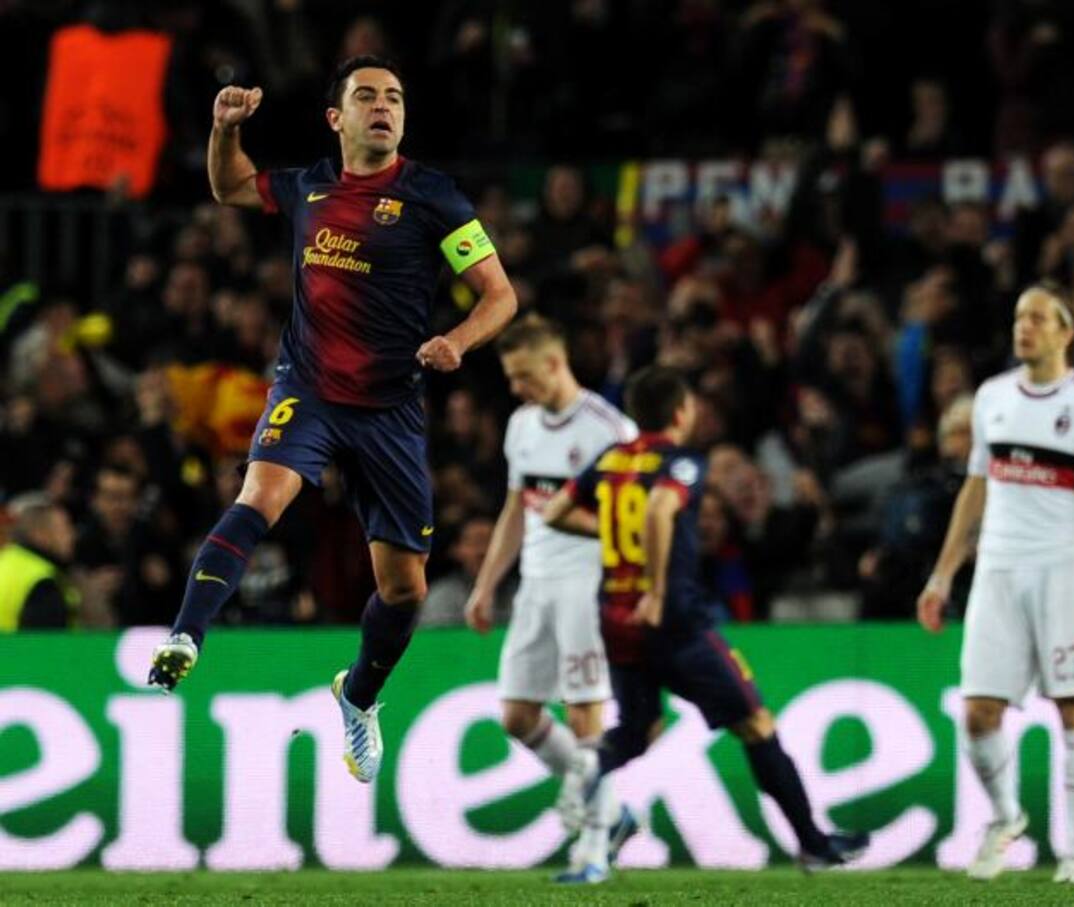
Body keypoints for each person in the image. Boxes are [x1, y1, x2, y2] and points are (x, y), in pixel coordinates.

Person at [147, 56, 518, 788]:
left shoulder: (432, 197)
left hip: (391, 408)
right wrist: (225, 129)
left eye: (396, 97)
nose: (384, 106)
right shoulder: (308, 186)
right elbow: (227, 185)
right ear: (336, 118)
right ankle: (188, 631)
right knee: (260, 496)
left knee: (405, 589)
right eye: (367, 96)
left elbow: (499, 296)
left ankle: (358, 696)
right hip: (309, 387)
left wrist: (458, 342)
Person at [542, 366, 869, 880]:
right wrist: (654, 585)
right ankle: (812, 845)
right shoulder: (682, 464)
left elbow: (556, 510)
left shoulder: (610, 460)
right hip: (673, 620)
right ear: (680, 412)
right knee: (756, 723)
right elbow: (657, 509)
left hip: (615, 614)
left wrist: (610, 539)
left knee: (637, 728)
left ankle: (590, 765)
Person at [917, 282, 1074, 885]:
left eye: (1039, 318)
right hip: (996, 569)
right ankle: (1006, 817)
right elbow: (976, 490)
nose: (1025, 327)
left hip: (1064, 570)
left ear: (1066, 332)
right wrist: (942, 576)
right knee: (978, 713)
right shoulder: (991, 399)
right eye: (1020, 317)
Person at [464, 314, 639, 882]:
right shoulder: (521, 426)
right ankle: (611, 812)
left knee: (585, 711)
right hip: (535, 584)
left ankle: (592, 847)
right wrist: (488, 583)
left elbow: (632, 521)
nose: (517, 388)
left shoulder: (609, 430)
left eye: (523, 376)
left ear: (554, 364)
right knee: (517, 716)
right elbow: (517, 509)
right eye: (511, 378)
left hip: (589, 584)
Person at [0, 493, 78, 631]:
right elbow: (44, 648)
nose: (72, 537)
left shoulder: (5, 562)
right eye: (65, 529)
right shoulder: (42, 581)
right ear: (41, 535)